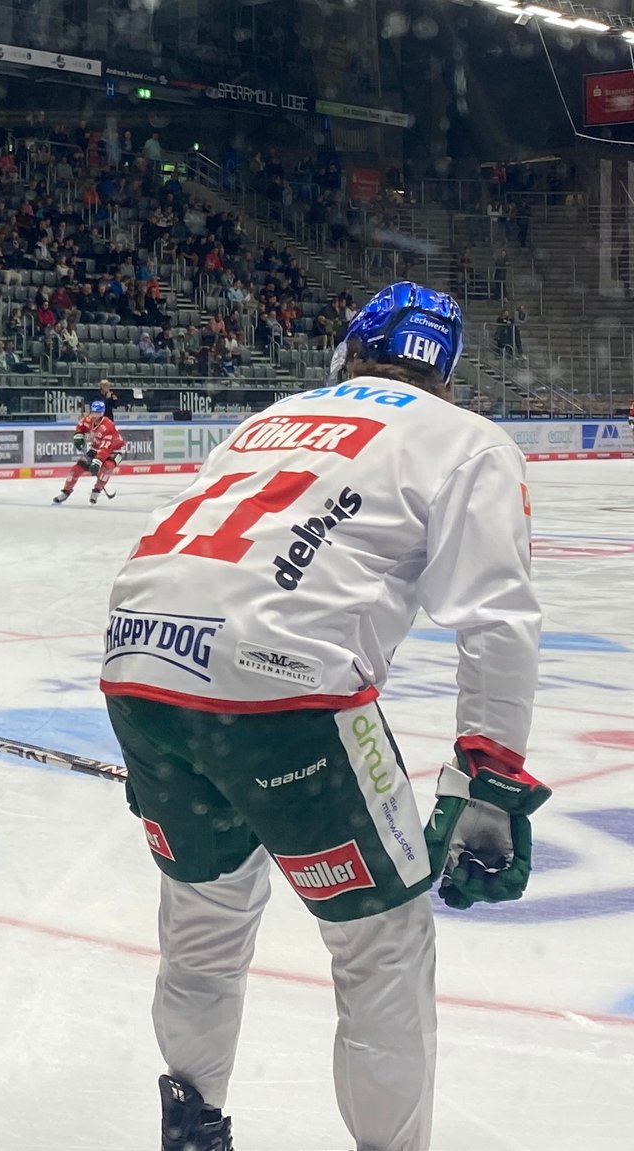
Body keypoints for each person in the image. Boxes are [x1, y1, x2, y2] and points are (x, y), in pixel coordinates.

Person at [101, 282, 545, 1151]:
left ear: (349, 350)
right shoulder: (466, 439)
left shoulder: (269, 416)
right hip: (286, 694)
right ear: (446, 372)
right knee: (383, 945)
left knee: (202, 926)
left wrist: (179, 729)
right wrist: (488, 778)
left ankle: (193, 1132)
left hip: (140, 667)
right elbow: (497, 617)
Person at [54, 399, 124, 504]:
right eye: (93, 412)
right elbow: (80, 426)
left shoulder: (108, 426)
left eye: (97, 413)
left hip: (115, 451)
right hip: (97, 448)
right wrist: (78, 436)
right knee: (76, 469)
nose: (94, 415)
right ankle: (66, 492)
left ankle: (96, 491)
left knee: (106, 468)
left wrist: (97, 462)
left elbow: (105, 449)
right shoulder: (88, 419)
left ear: (102, 413)